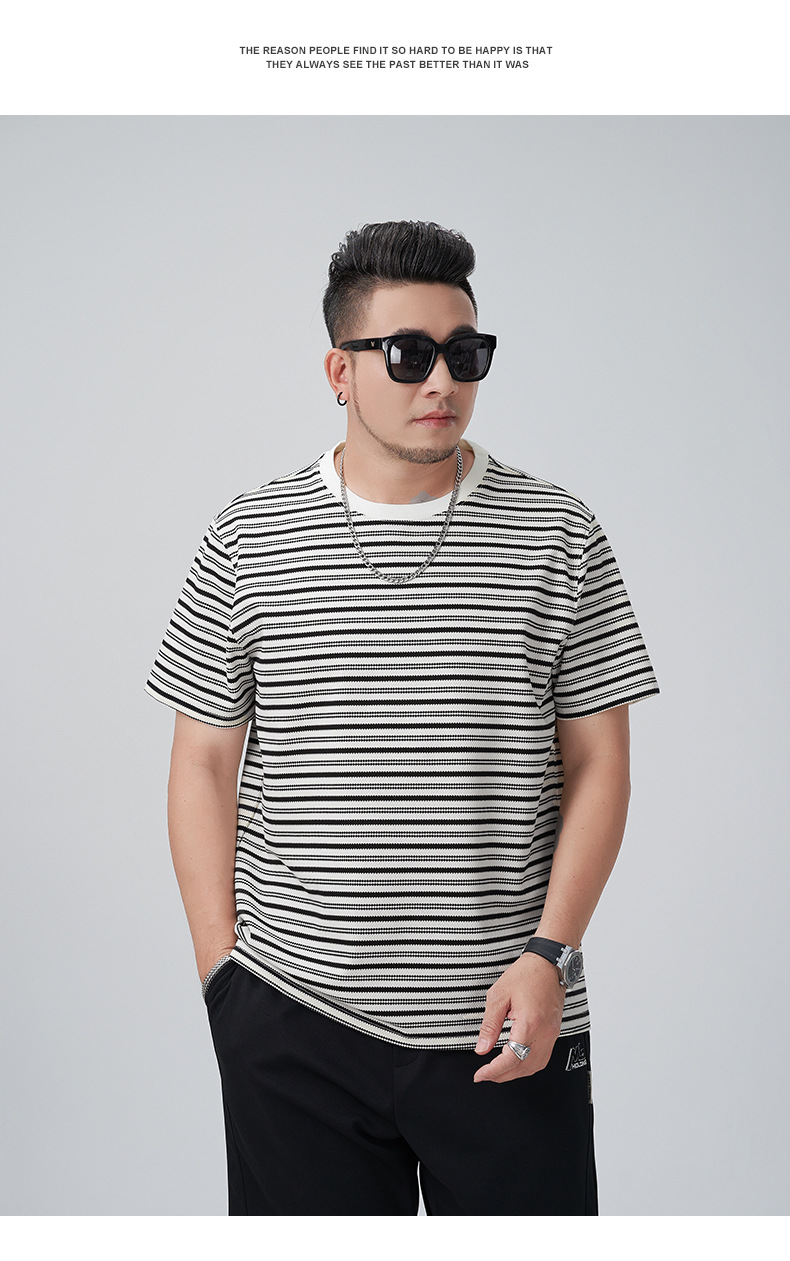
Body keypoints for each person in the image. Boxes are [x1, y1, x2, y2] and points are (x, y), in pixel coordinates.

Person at [145, 220, 659, 1216]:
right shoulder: (249, 535)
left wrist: (550, 954)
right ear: (339, 371)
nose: (442, 381)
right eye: (409, 354)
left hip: (509, 1016)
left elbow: (601, 762)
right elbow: (201, 761)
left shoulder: (558, 533)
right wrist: (224, 976)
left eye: (465, 354)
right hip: (293, 1016)